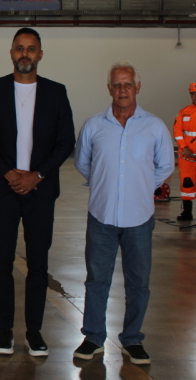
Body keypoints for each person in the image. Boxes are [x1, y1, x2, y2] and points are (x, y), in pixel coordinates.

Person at [0, 27, 75, 357]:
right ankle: (5, 330)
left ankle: (34, 331)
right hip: (3, 189)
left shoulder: (56, 92)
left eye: (31, 48)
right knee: (2, 261)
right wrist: (8, 172)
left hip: (39, 191)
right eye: (20, 48)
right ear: (11, 53)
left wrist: (37, 175)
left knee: (38, 263)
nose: (25, 54)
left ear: (40, 54)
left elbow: (65, 141)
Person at [73, 62, 173, 366]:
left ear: (137, 87)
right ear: (109, 89)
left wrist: (139, 188)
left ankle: (132, 339)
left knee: (138, 282)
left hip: (139, 218)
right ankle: (93, 337)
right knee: (96, 280)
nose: (122, 90)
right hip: (101, 216)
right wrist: (106, 184)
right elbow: (83, 163)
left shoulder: (154, 127)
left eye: (128, 84)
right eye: (117, 84)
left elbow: (165, 166)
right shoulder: (94, 126)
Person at [172, 83, 196, 220]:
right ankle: (187, 212)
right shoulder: (183, 112)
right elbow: (177, 132)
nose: (195, 97)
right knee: (187, 183)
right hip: (187, 157)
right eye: (193, 94)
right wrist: (184, 147)